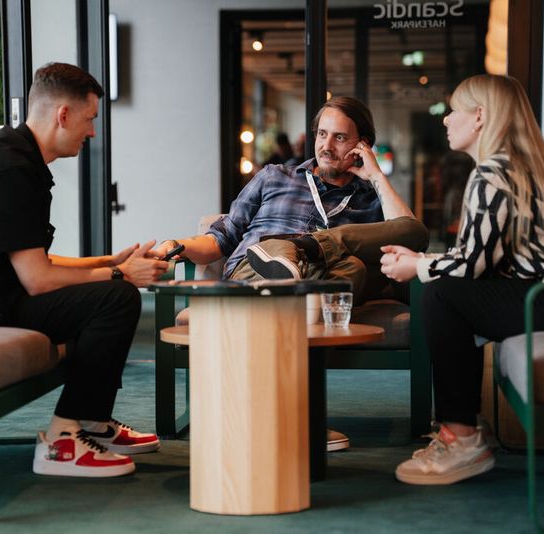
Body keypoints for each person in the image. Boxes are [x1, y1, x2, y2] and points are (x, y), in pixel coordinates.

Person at [0, 62, 168, 478]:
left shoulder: (19, 162)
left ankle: (92, 422)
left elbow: (34, 262)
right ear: (63, 115)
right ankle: (64, 440)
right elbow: (38, 278)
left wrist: (109, 262)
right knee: (115, 298)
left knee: (110, 289)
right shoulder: (8, 171)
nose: (92, 133)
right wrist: (124, 276)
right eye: (90, 120)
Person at [379, 74, 544, 485]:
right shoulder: (525, 167)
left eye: (454, 110)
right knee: (447, 289)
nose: (446, 120)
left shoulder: (494, 173)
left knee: (442, 296)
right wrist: (424, 260)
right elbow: (486, 260)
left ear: (479, 117)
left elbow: (471, 267)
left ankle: (461, 438)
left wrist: (418, 267)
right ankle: (464, 428)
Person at [153, 96, 428, 450]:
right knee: (345, 272)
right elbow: (221, 237)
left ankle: (301, 246)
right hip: (261, 271)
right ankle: (300, 415)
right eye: (321, 134)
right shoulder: (275, 176)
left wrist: (376, 177)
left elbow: (409, 233)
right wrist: (175, 244)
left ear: (362, 145)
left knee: (359, 264)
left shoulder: (370, 197)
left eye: (340, 138)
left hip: (328, 275)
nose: (326, 146)